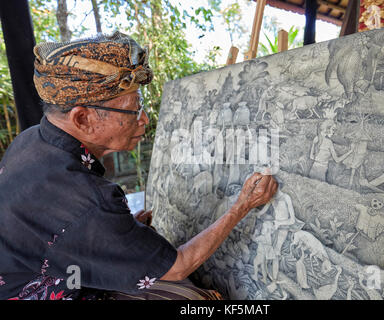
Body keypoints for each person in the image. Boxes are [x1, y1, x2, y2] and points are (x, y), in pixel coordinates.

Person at [0, 32, 278, 300]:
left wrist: (104, 234)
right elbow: (178, 265)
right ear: (82, 119)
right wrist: (243, 204)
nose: (143, 119)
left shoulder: (30, 141)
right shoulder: (90, 200)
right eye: (133, 108)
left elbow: (56, 225)